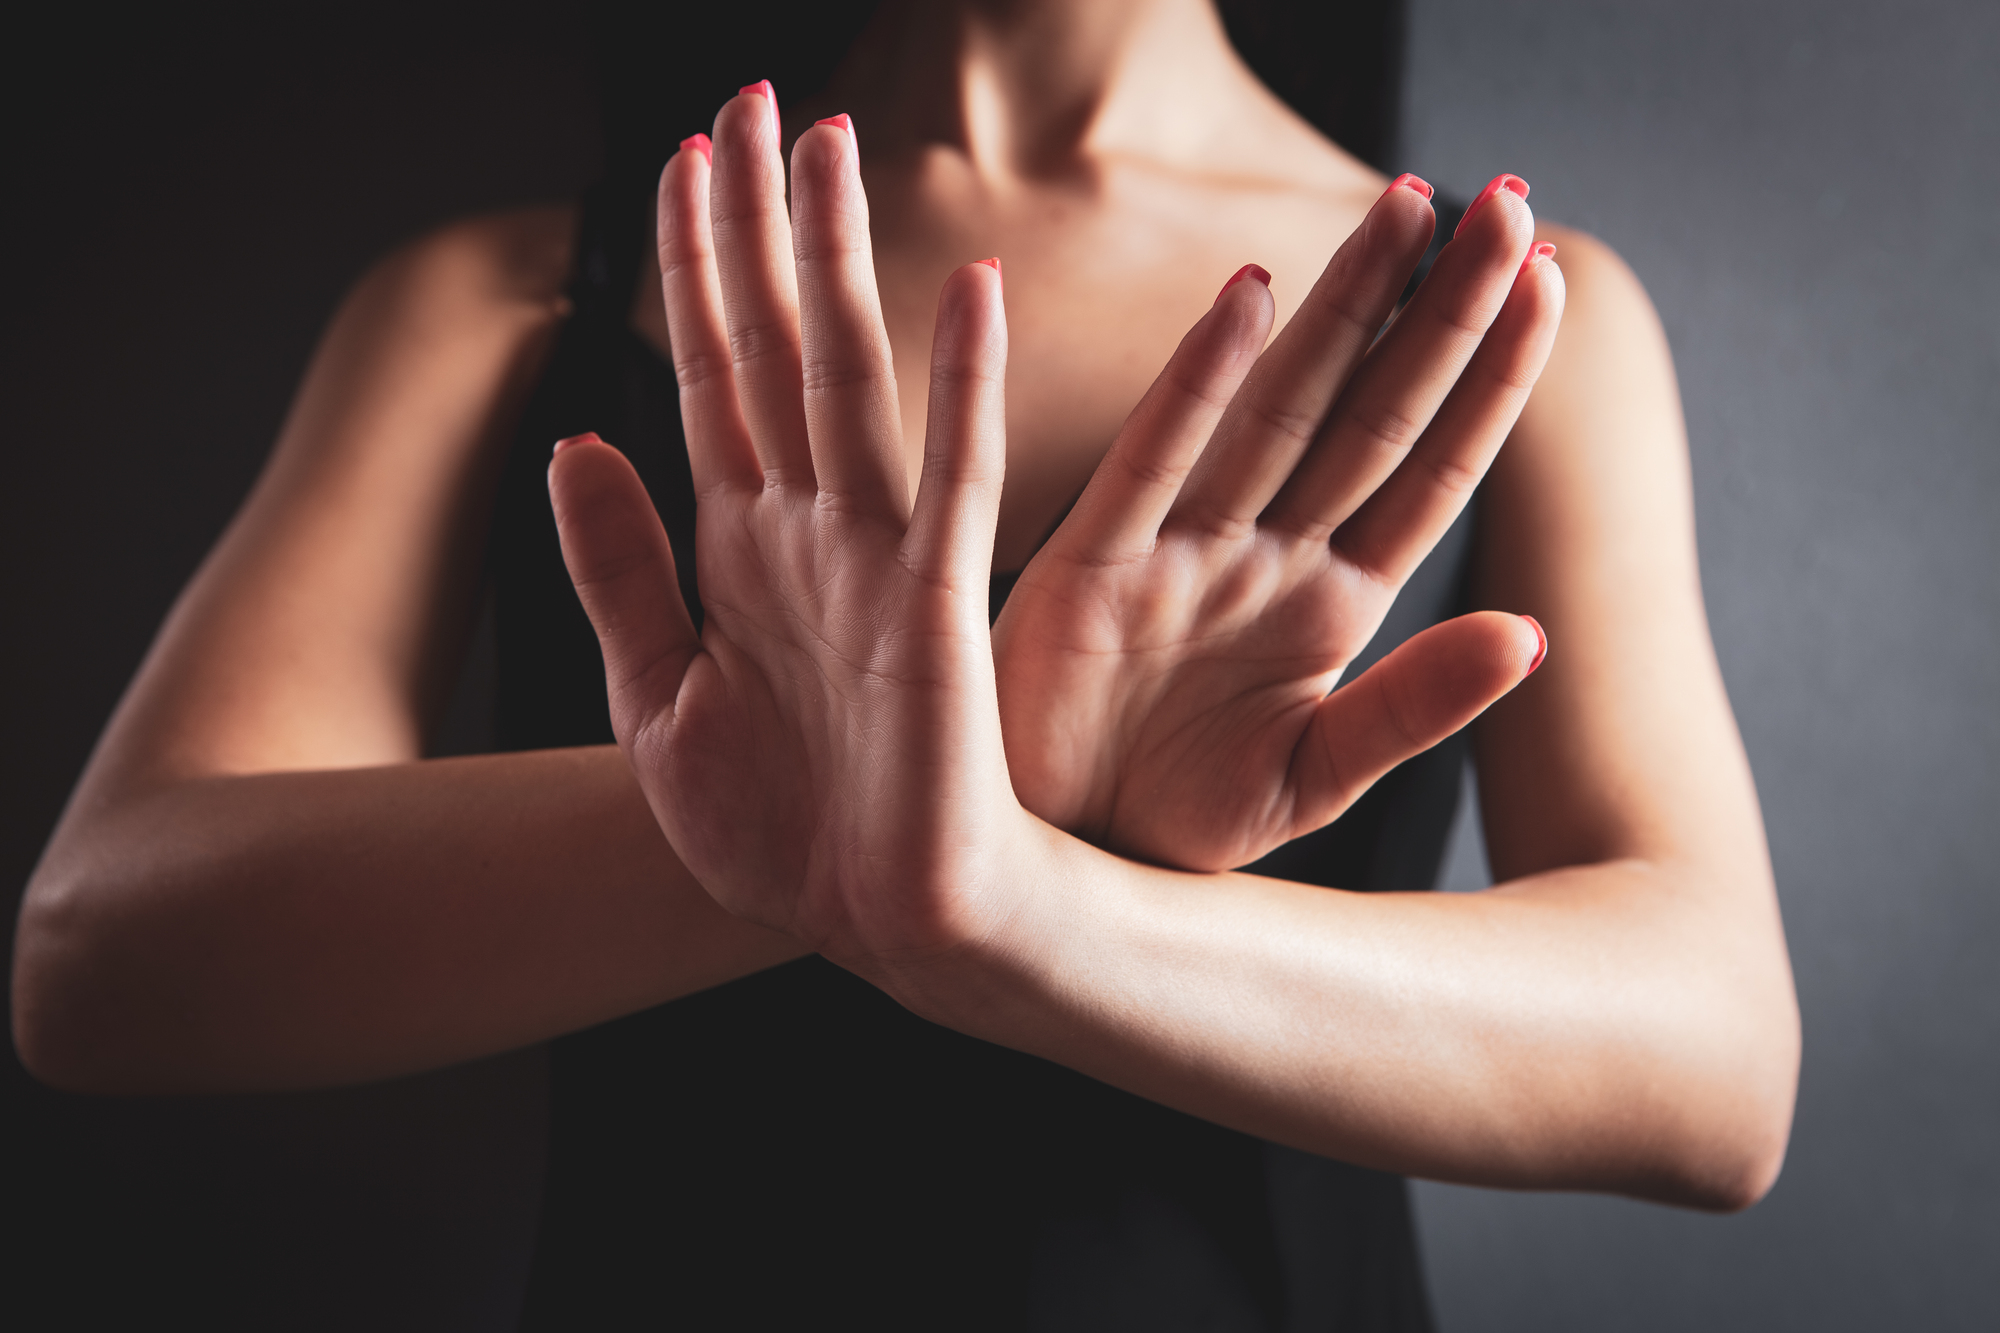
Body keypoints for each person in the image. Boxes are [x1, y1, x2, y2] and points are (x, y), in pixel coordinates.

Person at [12, 1, 1799, 1326]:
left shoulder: (1519, 325)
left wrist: (1009, 895)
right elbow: (103, 953)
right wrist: (891, 812)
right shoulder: (514, 297)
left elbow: (1714, 1067)